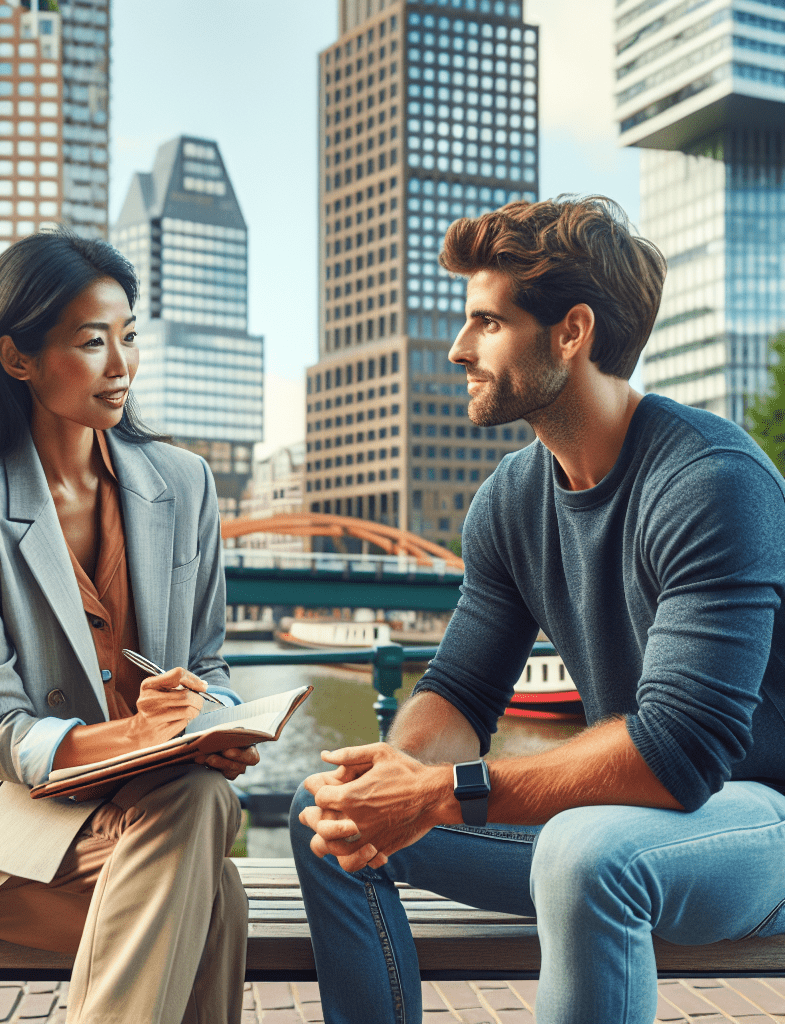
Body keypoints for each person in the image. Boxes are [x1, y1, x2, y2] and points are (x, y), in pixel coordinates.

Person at [291, 195, 785, 1024]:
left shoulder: (711, 480)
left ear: (571, 332)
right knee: (325, 813)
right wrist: (392, 783)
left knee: (583, 853)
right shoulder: (511, 500)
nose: (458, 349)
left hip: (753, 824)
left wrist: (440, 795)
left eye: (487, 322)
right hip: (619, 822)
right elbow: (460, 690)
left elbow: (680, 754)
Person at [0, 231, 258, 1024]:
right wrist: (148, 740)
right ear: (18, 358)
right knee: (208, 874)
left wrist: (216, 721)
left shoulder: (184, 485)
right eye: (92, 343)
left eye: (128, 338)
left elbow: (210, 661)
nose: (120, 365)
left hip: (147, 818)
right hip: (5, 835)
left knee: (196, 820)